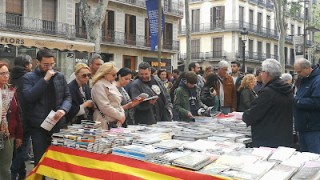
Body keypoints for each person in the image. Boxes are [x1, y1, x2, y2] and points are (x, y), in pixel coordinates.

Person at [23, 49, 72, 167]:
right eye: (46, 64)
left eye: (52, 64)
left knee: (58, 159)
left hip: (57, 123)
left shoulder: (59, 76)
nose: (49, 67)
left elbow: (67, 96)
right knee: (40, 160)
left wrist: (63, 110)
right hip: (38, 126)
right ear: (37, 62)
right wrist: (45, 80)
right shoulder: (29, 77)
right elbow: (29, 96)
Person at [242, 59, 293, 148]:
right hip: (284, 136)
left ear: (267, 73)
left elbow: (254, 114)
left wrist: (245, 115)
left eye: (262, 72)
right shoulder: (287, 89)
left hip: (268, 139)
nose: (261, 75)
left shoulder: (268, 92)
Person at [10, 55, 32, 180]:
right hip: (25, 118)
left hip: (13, 119)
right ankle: (13, 173)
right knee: (22, 149)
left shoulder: (11, 77)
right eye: (30, 63)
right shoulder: (28, 78)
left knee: (17, 150)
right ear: (26, 65)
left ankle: (22, 172)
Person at [0, 63, 23, 180]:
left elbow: (17, 114)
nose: (6, 76)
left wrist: (19, 135)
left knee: (5, 168)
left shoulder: (11, 91)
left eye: (7, 72)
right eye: (2, 73)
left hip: (8, 135)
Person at [293, 58, 320, 153]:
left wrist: (297, 101)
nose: (298, 74)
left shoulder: (317, 80)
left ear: (307, 68)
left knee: (314, 158)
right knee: (305, 157)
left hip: (313, 127)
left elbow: (317, 102)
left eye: (299, 71)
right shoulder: (305, 79)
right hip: (304, 126)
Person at [91, 62, 125, 130]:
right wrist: (120, 116)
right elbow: (104, 106)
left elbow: (118, 103)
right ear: (105, 73)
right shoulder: (99, 85)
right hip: (104, 121)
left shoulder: (111, 84)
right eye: (113, 75)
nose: (115, 77)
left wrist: (122, 114)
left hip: (115, 121)